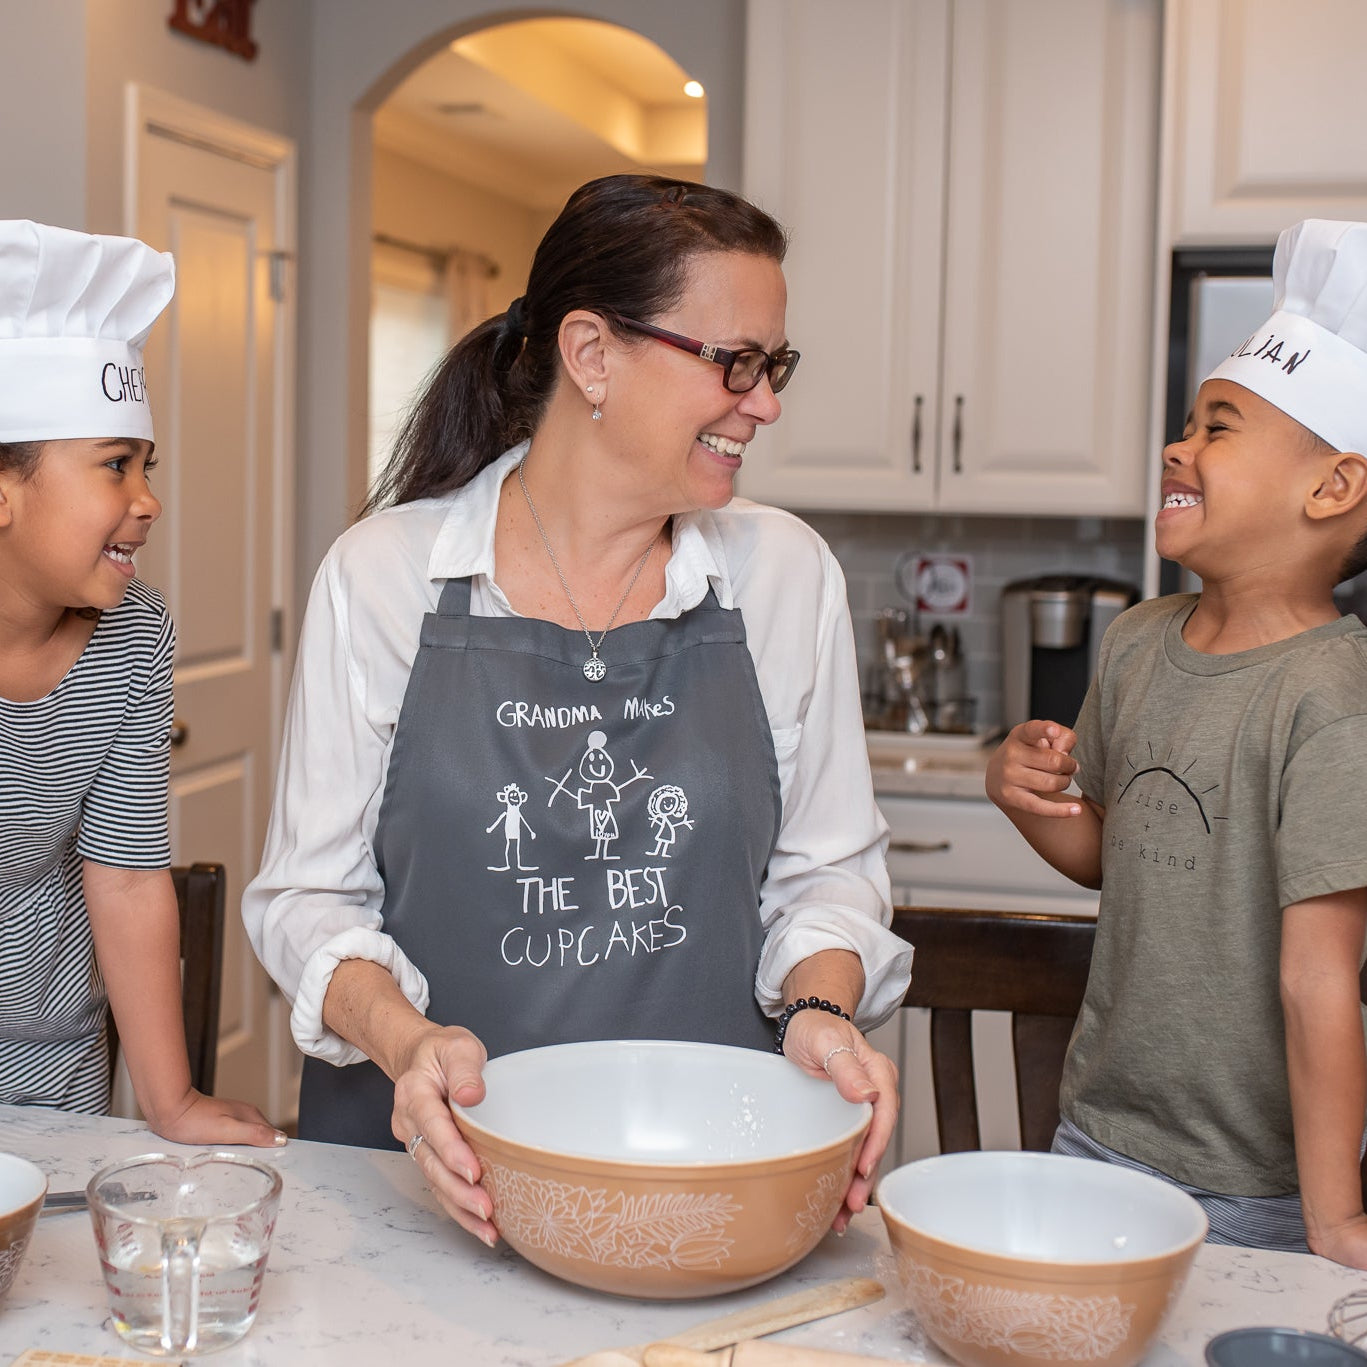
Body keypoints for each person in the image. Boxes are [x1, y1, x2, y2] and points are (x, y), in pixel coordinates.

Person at [244, 174, 912, 1245]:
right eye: (733, 362)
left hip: (705, 1177)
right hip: (430, 1183)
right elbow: (306, 898)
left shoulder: (783, 574)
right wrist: (409, 1042)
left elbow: (827, 872)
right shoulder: (383, 577)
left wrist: (823, 1010)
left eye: (773, 364)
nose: (766, 402)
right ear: (591, 353)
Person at [986, 218, 1367, 1267]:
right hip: (1096, 1128)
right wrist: (1031, 799)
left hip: (1247, 1179)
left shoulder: (1333, 697)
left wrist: (1333, 1219)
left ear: (1330, 487)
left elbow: (1318, 980)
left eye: (1219, 426)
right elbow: (1112, 851)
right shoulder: (1138, 640)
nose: (1175, 445)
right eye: (1186, 420)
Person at [0, 220, 284, 1146]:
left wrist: (173, 1101)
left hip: (51, 1050)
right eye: (114, 466)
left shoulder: (135, 636)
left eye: (146, 467)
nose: (148, 498)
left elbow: (123, 877)